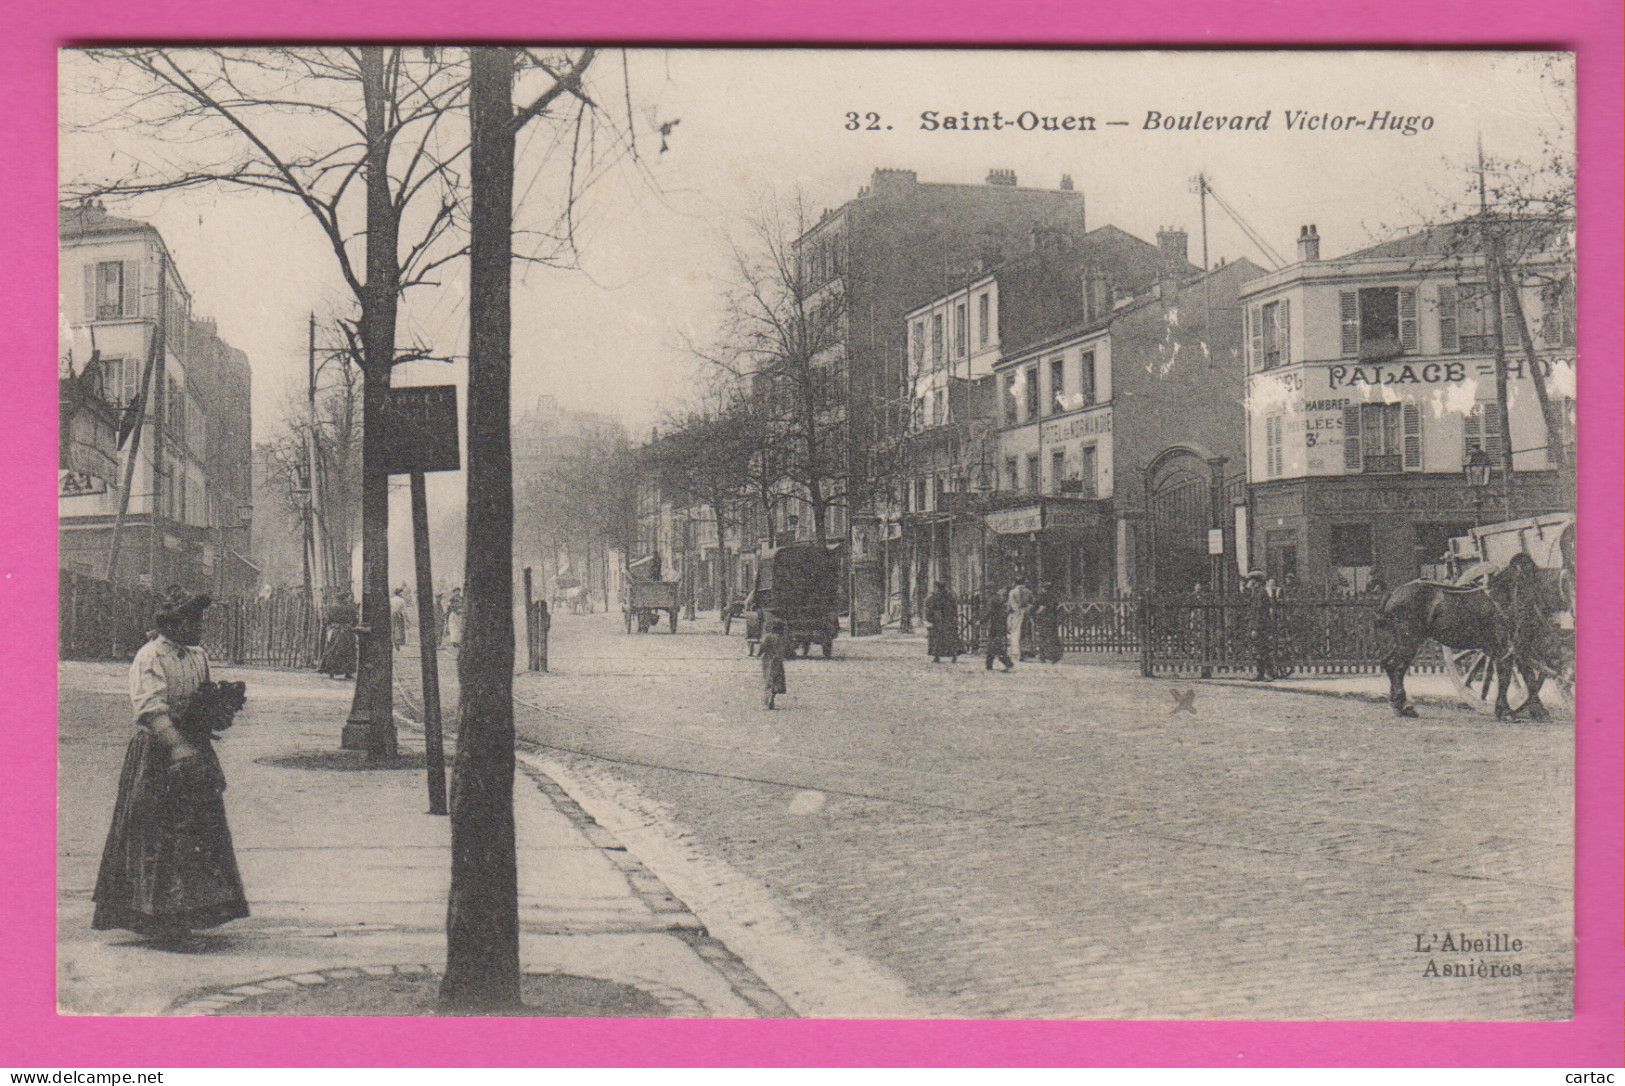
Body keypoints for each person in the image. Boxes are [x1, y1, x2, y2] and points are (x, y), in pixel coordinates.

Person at [92, 590, 249, 939]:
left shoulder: (197, 655)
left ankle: (192, 910)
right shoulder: (150, 656)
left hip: (195, 747)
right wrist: (178, 748)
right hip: (159, 754)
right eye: (194, 622)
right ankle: (157, 917)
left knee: (198, 830)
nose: (200, 628)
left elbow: (202, 695)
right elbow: (150, 709)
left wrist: (218, 712)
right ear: (174, 624)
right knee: (157, 832)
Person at [1243, 569, 1276, 681]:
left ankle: (1268, 674)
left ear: (1255, 581)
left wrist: (1255, 628)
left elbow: (1259, 611)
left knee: (1263, 649)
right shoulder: (1256, 591)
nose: (1250, 582)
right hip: (1257, 625)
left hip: (1261, 626)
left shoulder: (1260, 592)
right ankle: (1260, 673)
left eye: (1251, 580)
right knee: (1257, 649)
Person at [318, 593, 358, 679]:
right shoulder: (349, 608)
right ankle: (347, 672)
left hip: (335, 631)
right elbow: (355, 620)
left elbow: (327, 620)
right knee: (348, 650)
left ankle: (331, 671)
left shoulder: (331, 608)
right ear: (345, 599)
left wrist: (332, 624)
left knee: (332, 649)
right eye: (347, 598)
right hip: (347, 631)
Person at [923, 581, 962, 663]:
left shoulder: (934, 597)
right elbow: (954, 609)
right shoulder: (950, 596)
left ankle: (937, 656)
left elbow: (929, 609)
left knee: (937, 639)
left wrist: (929, 619)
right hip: (949, 621)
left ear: (937, 588)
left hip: (938, 621)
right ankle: (954, 655)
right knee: (950, 638)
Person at [759, 616, 788, 709]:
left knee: (768, 679)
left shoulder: (768, 636)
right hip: (778, 661)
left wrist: (759, 654)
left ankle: (768, 699)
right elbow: (787, 649)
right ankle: (772, 697)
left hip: (768, 660)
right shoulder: (782, 638)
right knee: (776, 679)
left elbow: (762, 646)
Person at [983, 587, 1014, 672]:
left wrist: (981, 621)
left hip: (995, 625)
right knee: (996, 644)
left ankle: (1004, 662)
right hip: (1000, 624)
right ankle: (992, 663)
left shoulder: (992, 600)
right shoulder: (998, 600)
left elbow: (989, 612)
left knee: (994, 645)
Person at [1032, 582, 1063, 663]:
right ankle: (1054, 655)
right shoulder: (1054, 597)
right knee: (1052, 637)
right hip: (1052, 619)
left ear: (1043, 589)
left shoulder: (1042, 597)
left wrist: (1035, 613)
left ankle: (1043, 655)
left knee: (1042, 636)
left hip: (1044, 619)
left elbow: (1040, 608)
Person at [1007, 580, 1035, 660]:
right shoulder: (1028, 591)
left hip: (1016, 614)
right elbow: (1032, 602)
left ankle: (1017, 652)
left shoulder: (1012, 592)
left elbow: (1010, 604)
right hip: (1026, 613)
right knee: (1026, 632)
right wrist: (1027, 609)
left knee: (1016, 632)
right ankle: (1025, 651)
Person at [443, 587, 466, 656]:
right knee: (454, 629)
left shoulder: (462, 599)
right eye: (456, 592)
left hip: (460, 615)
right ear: (454, 592)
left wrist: (462, 611)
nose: (457, 593)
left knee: (459, 628)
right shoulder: (451, 600)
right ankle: (454, 643)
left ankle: (459, 642)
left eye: (458, 591)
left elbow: (464, 606)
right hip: (453, 615)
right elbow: (449, 608)